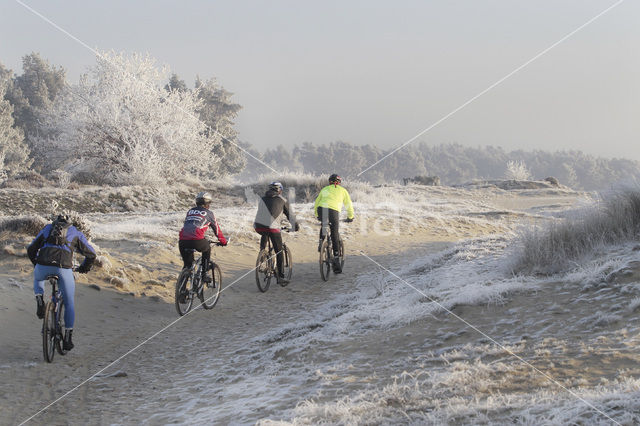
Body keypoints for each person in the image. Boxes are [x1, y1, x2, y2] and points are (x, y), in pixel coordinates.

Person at [27, 214, 96, 351]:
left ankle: (40, 299)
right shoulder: (75, 232)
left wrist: (36, 263)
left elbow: (31, 249)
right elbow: (91, 254)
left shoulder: (47, 228)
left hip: (43, 266)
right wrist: (84, 268)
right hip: (63, 269)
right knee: (69, 302)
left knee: (38, 276)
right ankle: (68, 339)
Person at [253, 181, 299, 284]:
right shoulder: (283, 200)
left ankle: (262, 254)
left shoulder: (262, 199)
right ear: (279, 190)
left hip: (258, 226)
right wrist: (295, 227)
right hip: (273, 228)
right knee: (279, 251)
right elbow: (290, 216)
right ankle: (281, 276)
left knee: (265, 232)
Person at [179, 191, 227, 285]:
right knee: (207, 248)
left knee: (187, 265)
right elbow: (216, 229)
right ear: (207, 203)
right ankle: (204, 274)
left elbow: (189, 225)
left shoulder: (190, 211)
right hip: (196, 240)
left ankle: (181, 292)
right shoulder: (209, 213)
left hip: (182, 241)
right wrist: (223, 241)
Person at [314, 174, 354, 273]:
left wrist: (317, 215)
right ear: (339, 182)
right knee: (334, 234)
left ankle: (321, 242)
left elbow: (317, 202)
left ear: (330, 182)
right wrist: (350, 217)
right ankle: (336, 259)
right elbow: (348, 205)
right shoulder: (343, 190)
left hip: (321, 209)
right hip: (333, 211)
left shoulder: (325, 189)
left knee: (324, 225)